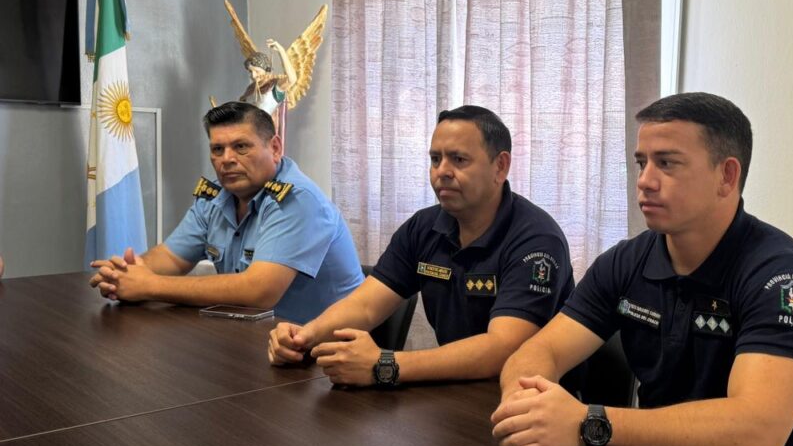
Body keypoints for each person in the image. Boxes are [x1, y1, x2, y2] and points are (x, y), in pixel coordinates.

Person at [491, 92, 793, 446]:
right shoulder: (626, 261)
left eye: (667, 163)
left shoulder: (781, 278)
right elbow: (542, 352)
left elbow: (757, 432)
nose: (645, 181)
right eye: (641, 163)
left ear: (726, 176)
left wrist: (589, 423)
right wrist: (524, 407)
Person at [268, 106, 576, 389]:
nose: (442, 171)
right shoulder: (423, 227)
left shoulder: (537, 240)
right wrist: (303, 336)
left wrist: (385, 365)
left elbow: (503, 348)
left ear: (500, 166)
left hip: (534, 401)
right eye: (435, 159)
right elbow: (365, 306)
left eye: (459, 159)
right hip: (455, 392)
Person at [89, 101, 363, 324]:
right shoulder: (215, 196)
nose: (227, 159)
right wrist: (126, 274)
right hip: (254, 337)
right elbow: (171, 257)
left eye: (241, 146)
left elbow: (259, 291)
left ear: (275, 148)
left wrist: (149, 285)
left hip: (327, 349)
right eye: (217, 149)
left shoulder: (297, 200)